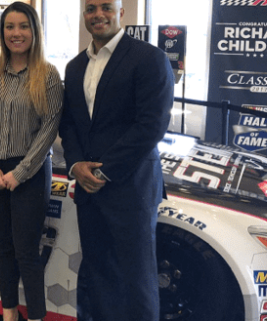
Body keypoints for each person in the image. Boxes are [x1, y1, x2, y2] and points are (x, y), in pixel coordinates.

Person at [58, 0, 174, 320]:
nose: (98, 15)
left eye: (106, 7)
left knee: (136, 278)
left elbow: (151, 125)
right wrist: (76, 164)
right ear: (84, 16)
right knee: (98, 274)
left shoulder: (149, 58)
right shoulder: (75, 67)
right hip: (87, 187)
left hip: (131, 187)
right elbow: (69, 124)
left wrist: (105, 172)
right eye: (91, 8)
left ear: (121, 12)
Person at [0, 2, 63, 321]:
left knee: (26, 251)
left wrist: (20, 173)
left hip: (32, 173)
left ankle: (36, 316)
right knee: (4, 247)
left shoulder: (47, 75)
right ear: (2, 33)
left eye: (23, 26)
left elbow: (50, 127)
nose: (16, 33)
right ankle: (8, 313)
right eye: (9, 27)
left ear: (34, 31)